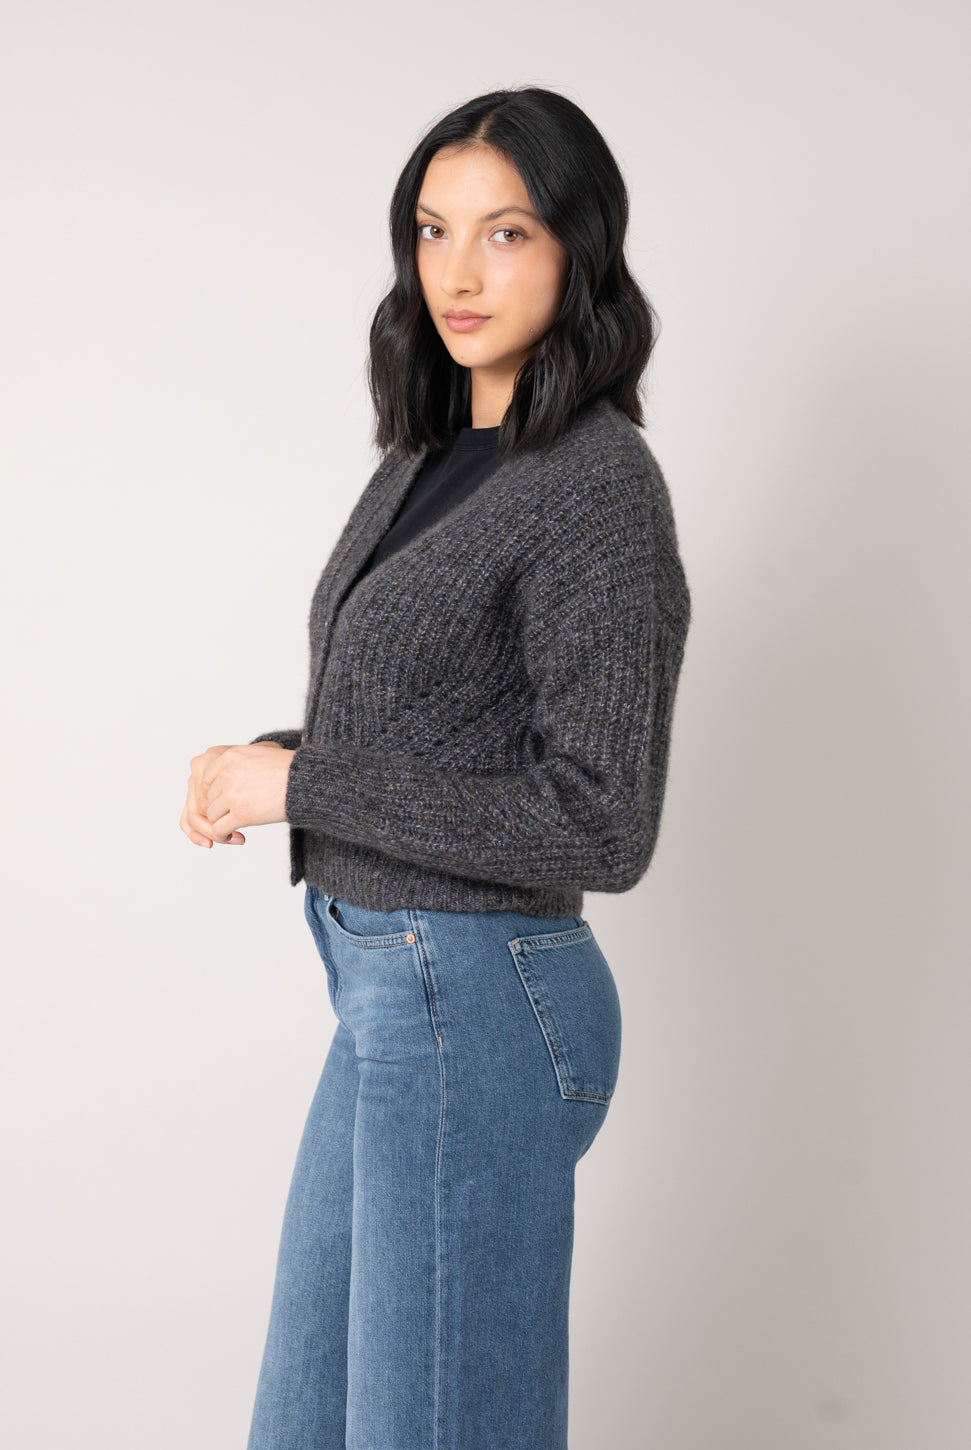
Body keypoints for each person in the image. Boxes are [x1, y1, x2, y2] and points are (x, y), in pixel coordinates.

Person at [180, 85, 691, 1450]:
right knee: (307, 1421)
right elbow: (446, 730)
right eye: (432, 229)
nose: (457, 272)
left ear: (579, 249)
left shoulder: (597, 486)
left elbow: (604, 820)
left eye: (506, 232)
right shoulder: (432, 453)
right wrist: (285, 756)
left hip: (480, 1001)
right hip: (389, 995)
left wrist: (306, 790)